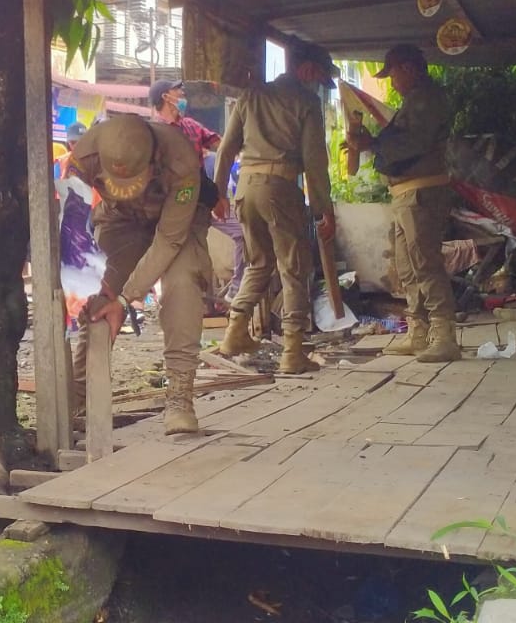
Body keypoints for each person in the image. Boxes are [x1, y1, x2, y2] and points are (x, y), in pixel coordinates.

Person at [66, 114, 210, 435]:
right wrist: (89, 274)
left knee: (181, 285)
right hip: (119, 219)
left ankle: (180, 399)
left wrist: (126, 298)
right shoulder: (85, 155)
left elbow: (169, 240)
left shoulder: (181, 160)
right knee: (97, 297)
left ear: (153, 160)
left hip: (177, 222)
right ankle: (79, 399)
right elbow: (70, 219)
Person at [211, 44, 338, 374]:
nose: (319, 85)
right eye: (320, 77)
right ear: (308, 70)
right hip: (280, 190)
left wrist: (218, 194)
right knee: (294, 268)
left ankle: (234, 332)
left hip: (246, 190)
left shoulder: (251, 96)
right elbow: (314, 162)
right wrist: (324, 210)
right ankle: (293, 351)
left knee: (259, 262)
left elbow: (225, 150)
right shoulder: (306, 102)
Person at [345, 44, 458, 362]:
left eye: (392, 73)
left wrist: (374, 144)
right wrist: (373, 144)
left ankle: (444, 333)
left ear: (408, 68)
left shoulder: (428, 98)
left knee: (425, 263)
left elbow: (415, 143)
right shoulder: (414, 101)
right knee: (407, 267)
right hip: (405, 194)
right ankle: (418, 330)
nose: (391, 82)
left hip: (422, 192)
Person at [151, 80, 245, 304]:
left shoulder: (191, 126)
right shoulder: (154, 134)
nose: (182, 94)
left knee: (242, 232)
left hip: (204, 200)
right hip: (174, 207)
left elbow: (221, 143)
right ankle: (184, 306)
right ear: (166, 97)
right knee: (180, 259)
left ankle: (235, 290)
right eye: (177, 91)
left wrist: (243, 144)